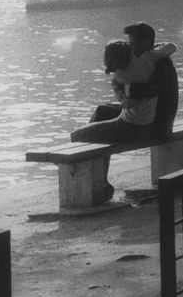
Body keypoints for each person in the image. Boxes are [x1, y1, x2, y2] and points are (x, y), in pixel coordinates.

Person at [71, 36, 176, 200]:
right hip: (145, 121)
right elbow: (171, 46)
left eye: (134, 42)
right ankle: (101, 181)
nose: (133, 46)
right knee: (101, 113)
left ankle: (97, 184)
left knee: (77, 137)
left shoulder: (123, 75)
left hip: (132, 127)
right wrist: (154, 48)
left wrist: (123, 96)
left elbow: (124, 93)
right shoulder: (147, 61)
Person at [123, 22, 179, 138]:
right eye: (130, 44)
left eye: (134, 44)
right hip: (148, 115)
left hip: (158, 124)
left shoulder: (161, 63)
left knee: (99, 120)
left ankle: (86, 153)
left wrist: (125, 86)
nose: (131, 49)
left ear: (147, 42)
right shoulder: (152, 57)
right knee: (103, 111)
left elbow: (148, 91)